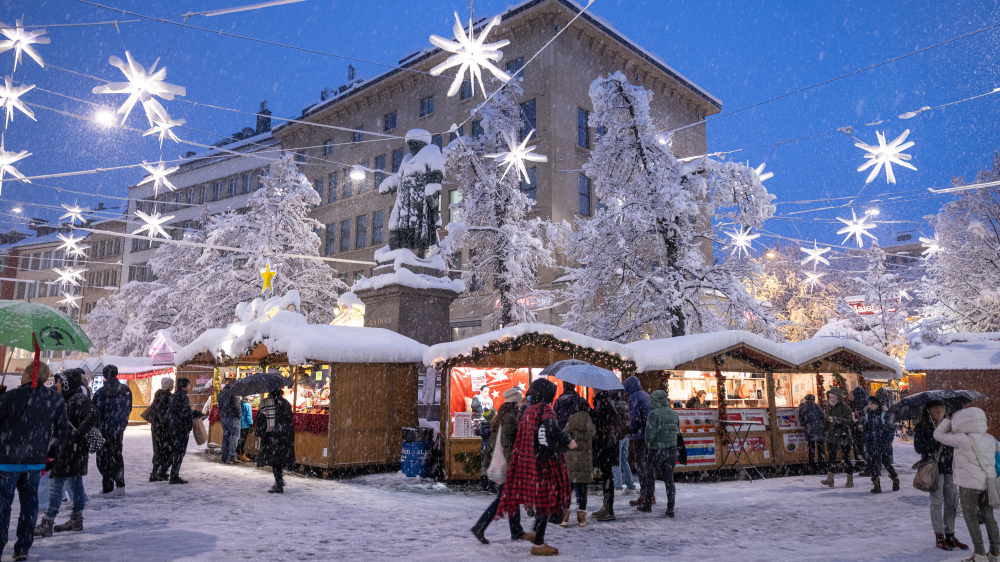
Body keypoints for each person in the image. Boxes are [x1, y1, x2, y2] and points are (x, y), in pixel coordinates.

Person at [496, 379, 576, 556]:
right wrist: (568, 441)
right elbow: (550, 431)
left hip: (530, 462)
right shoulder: (545, 410)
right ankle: (539, 544)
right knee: (547, 501)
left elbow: (523, 438)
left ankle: (534, 533)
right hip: (545, 464)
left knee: (542, 501)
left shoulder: (527, 411)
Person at [0, 362, 68, 562]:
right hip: (36, 461)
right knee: (30, 505)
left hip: (7, 460)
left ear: (29, 375)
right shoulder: (55, 399)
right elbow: (61, 430)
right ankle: (23, 547)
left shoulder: (11, 397)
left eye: (23, 374)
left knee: (2, 506)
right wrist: (53, 456)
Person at [35, 369, 98, 537]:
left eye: (59, 382)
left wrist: (77, 434)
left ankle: (47, 523)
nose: (56, 385)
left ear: (67, 384)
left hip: (69, 450)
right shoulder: (68, 398)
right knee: (75, 484)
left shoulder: (77, 399)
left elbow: (93, 414)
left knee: (55, 485)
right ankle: (76, 519)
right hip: (70, 450)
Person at [934, 407, 1000, 562]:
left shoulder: (961, 438)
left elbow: (937, 435)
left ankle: (979, 554)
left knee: (971, 518)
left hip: (969, 486)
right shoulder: (990, 438)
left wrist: (948, 421)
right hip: (987, 483)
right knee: (989, 516)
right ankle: (995, 552)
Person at [471, 388, 525, 544]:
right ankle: (480, 526)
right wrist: (513, 464)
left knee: (510, 498)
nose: (521, 405)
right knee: (503, 499)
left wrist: (486, 463)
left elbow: (493, 444)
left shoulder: (501, 416)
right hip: (507, 466)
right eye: (519, 402)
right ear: (514, 403)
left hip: (502, 465)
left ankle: (516, 530)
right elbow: (507, 444)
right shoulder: (510, 418)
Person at [914, 400, 967, 551]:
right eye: (936, 411)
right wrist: (935, 439)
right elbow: (919, 448)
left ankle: (950, 534)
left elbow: (957, 444)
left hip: (949, 467)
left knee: (951, 503)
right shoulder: (923, 427)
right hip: (933, 468)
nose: (939, 414)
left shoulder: (950, 426)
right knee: (937, 503)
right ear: (929, 412)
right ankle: (939, 535)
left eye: (941, 411)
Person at [93, 364, 132, 494]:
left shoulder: (101, 393)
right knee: (117, 455)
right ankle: (120, 484)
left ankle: (108, 485)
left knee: (104, 458)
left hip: (104, 430)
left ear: (104, 376)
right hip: (118, 430)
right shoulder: (126, 390)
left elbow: (96, 412)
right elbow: (128, 409)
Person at [643, 390, 679, 517]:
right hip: (672, 450)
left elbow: (650, 434)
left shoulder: (653, 414)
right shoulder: (673, 413)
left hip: (657, 450)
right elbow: (677, 431)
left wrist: (648, 444)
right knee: (669, 479)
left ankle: (647, 504)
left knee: (650, 477)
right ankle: (670, 508)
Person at [165, 378, 204, 484]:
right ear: (185, 386)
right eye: (189, 385)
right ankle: (174, 476)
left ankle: (165, 470)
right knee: (179, 452)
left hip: (173, 426)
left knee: (174, 450)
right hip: (181, 428)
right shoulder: (183, 397)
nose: (189, 387)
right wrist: (195, 413)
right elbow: (184, 413)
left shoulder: (174, 395)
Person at [562, 403, 595, 528]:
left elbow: (565, 437)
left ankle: (565, 518)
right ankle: (582, 519)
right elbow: (594, 436)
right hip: (585, 461)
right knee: (583, 490)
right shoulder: (590, 424)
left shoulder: (571, 422)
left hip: (571, 459)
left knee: (568, 489)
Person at [256, 388, 295, 493]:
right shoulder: (286, 403)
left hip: (272, 435)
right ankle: (279, 480)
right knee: (279, 459)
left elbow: (260, 419)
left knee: (275, 460)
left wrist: (261, 432)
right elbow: (290, 419)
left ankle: (279, 483)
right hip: (285, 435)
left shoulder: (266, 403)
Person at [591, 390, 622, 522]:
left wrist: (591, 413)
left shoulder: (602, 403)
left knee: (607, 476)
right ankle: (606, 506)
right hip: (609, 444)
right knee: (606, 476)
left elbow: (600, 423)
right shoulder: (608, 401)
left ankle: (609, 510)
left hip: (606, 446)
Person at [623, 376, 653, 510]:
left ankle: (645, 495)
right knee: (647, 465)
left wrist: (628, 427)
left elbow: (635, 418)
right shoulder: (645, 394)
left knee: (641, 465)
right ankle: (649, 494)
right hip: (648, 434)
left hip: (640, 435)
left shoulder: (634, 397)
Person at [861, 396, 899, 493]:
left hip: (882, 443)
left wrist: (887, 441)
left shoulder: (883, 414)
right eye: (869, 404)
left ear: (877, 404)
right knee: (874, 464)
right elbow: (866, 430)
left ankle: (895, 479)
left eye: (872, 404)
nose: (871, 406)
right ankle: (876, 485)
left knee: (886, 463)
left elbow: (889, 429)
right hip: (872, 443)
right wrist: (867, 440)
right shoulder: (867, 414)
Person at [820, 388, 854, 488]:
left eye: (833, 397)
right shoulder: (828, 407)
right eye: (830, 397)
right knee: (831, 458)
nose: (831, 399)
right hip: (832, 436)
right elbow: (826, 422)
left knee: (846, 458)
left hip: (843, 435)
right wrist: (824, 431)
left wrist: (838, 419)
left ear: (838, 398)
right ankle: (830, 479)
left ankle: (850, 480)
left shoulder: (846, 408)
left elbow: (850, 421)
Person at [148, 378, 174, 481]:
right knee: (164, 450)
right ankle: (155, 474)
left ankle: (159, 473)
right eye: (172, 385)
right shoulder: (167, 397)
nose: (173, 386)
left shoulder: (157, 396)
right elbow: (164, 416)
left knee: (158, 450)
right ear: (168, 386)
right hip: (163, 429)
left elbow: (152, 412)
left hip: (156, 428)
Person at [611, 390, 636, 495]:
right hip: (626, 435)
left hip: (617, 435)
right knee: (624, 461)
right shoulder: (626, 405)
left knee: (616, 462)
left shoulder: (613, 405)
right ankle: (631, 486)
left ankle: (617, 486)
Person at [798, 394, 827, 474]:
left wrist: (804, 423)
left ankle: (813, 465)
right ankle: (821, 465)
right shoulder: (817, 407)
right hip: (819, 429)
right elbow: (823, 416)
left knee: (811, 448)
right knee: (820, 448)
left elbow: (801, 418)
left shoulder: (803, 407)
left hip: (809, 429)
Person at [217, 378, 242, 464]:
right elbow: (237, 405)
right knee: (235, 436)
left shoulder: (222, 393)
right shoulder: (234, 392)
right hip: (233, 417)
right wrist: (239, 415)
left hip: (224, 417)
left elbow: (219, 406)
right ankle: (231, 456)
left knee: (226, 436)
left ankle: (224, 456)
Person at [237, 397, 254, 462]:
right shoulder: (248, 405)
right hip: (245, 425)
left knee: (239, 440)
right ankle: (242, 455)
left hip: (238, 424)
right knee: (243, 441)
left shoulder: (239, 404)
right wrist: (251, 424)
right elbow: (249, 415)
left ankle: (237, 453)